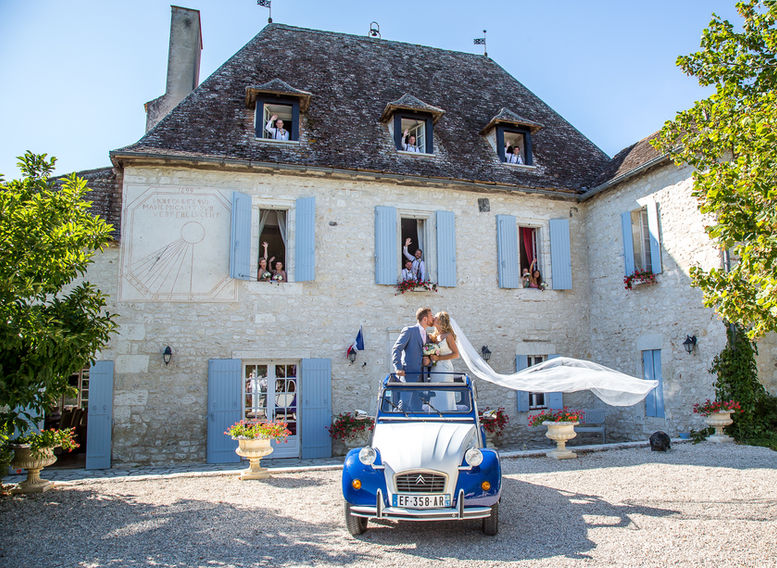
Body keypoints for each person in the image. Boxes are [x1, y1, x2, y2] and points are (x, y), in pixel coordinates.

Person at [392, 307, 434, 409]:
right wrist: (398, 367)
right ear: (425, 319)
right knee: (404, 405)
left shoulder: (428, 337)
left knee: (418, 407)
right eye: (431, 316)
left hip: (422, 377)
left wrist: (429, 362)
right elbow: (396, 349)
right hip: (408, 375)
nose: (433, 318)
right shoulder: (409, 331)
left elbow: (429, 356)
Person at [428, 311, 460, 410]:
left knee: (444, 393)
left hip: (445, 369)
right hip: (435, 368)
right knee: (435, 393)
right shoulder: (434, 336)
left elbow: (456, 354)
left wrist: (439, 358)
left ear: (441, 321)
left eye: (436, 317)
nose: (433, 318)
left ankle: (447, 414)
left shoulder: (448, 335)